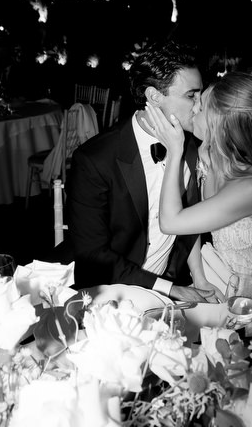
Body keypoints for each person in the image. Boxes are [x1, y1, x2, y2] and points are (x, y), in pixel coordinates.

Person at [66, 40, 217, 304]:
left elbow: (190, 219)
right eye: (191, 95)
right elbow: (93, 255)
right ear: (154, 96)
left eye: (200, 96)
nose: (198, 107)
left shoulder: (194, 147)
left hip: (173, 285)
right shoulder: (95, 160)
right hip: (110, 294)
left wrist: (199, 277)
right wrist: (169, 290)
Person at [145, 71, 252, 305]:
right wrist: (199, 275)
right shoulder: (208, 157)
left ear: (221, 123)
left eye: (202, 105)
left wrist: (174, 152)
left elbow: (171, 222)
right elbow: (191, 220)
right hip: (223, 282)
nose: (194, 108)